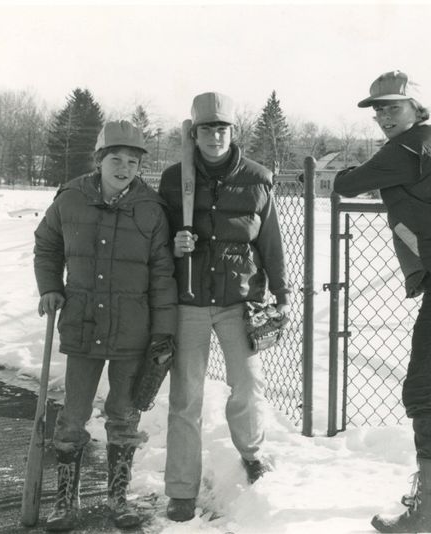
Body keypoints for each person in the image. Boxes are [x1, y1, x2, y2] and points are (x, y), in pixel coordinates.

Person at [333, 70, 431, 533]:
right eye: (378, 109)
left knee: (422, 387)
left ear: (415, 107)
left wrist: (354, 170)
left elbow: (347, 183)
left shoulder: (405, 148)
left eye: (392, 107)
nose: (384, 116)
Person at [34, 120, 178, 531]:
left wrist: (162, 331)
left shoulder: (151, 210)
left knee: (122, 415)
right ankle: (66, 502)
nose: (124, 168)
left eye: (133, 161)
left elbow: (163, 274)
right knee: (72, 415)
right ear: (99, 160)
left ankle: (117, 497)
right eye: (116, 159)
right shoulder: (71, 198)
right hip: (82, 325)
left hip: (133, 332)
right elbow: (47, 245)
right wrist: (50, 287)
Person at [158, 91, 292, 522]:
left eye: (222, 128)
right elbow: (156, 238)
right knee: (186, 398)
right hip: (190, 302)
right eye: (205, 129)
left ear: (234, 132)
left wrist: (282, 292)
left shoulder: (257, 177)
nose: (214, 136)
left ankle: (251, 453)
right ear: (193, 133)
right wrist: (173, 244)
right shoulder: (173, 179)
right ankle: (181, 490)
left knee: (248, 385)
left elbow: (269, 240)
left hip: (239, 301)